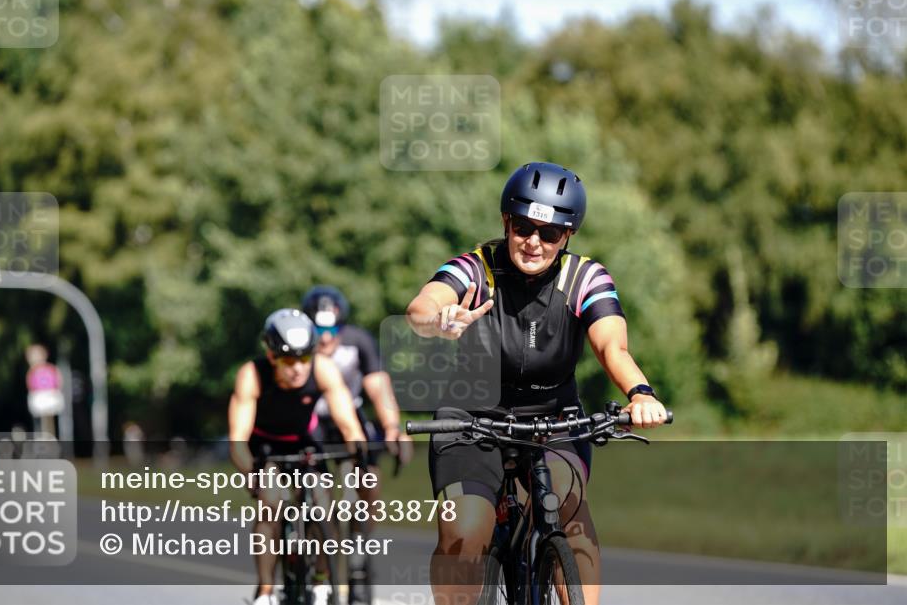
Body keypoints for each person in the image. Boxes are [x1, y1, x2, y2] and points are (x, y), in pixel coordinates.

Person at [406, 162, 668, 605]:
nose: (534, 242)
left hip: (555, 417)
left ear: (568, 236)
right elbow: (422, 307)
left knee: (569, 516)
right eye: (524, 227)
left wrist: (640, 393)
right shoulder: (477, 268)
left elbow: (612, 348)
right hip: (471, 418)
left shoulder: (585, 278)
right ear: (507, 222)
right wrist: (440, 319)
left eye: (550, 233)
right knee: (467, 532)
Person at [229, 309, 367, 605]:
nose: (298, 368)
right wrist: (250, 475)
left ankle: (320, 579)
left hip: (305, 442)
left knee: (324, 504)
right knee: (270, 504)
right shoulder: (251, 375)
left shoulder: (323, 368)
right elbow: (237, 441)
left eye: (304, 358)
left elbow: (348, 423)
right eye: (288, 360)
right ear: (271, 354)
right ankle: (266, 589)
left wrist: (359, 454)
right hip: (264, 446)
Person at [302, 285, 413, 605]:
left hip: (351, 418)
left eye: (332, 329)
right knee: (318, 498)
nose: (325, 338)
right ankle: (317, 553)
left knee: (368, 480)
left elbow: (379, 389)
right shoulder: (299, 346)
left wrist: (393, 428)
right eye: (318, 330)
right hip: (314, 425)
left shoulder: (357, 342)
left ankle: (360, 547)